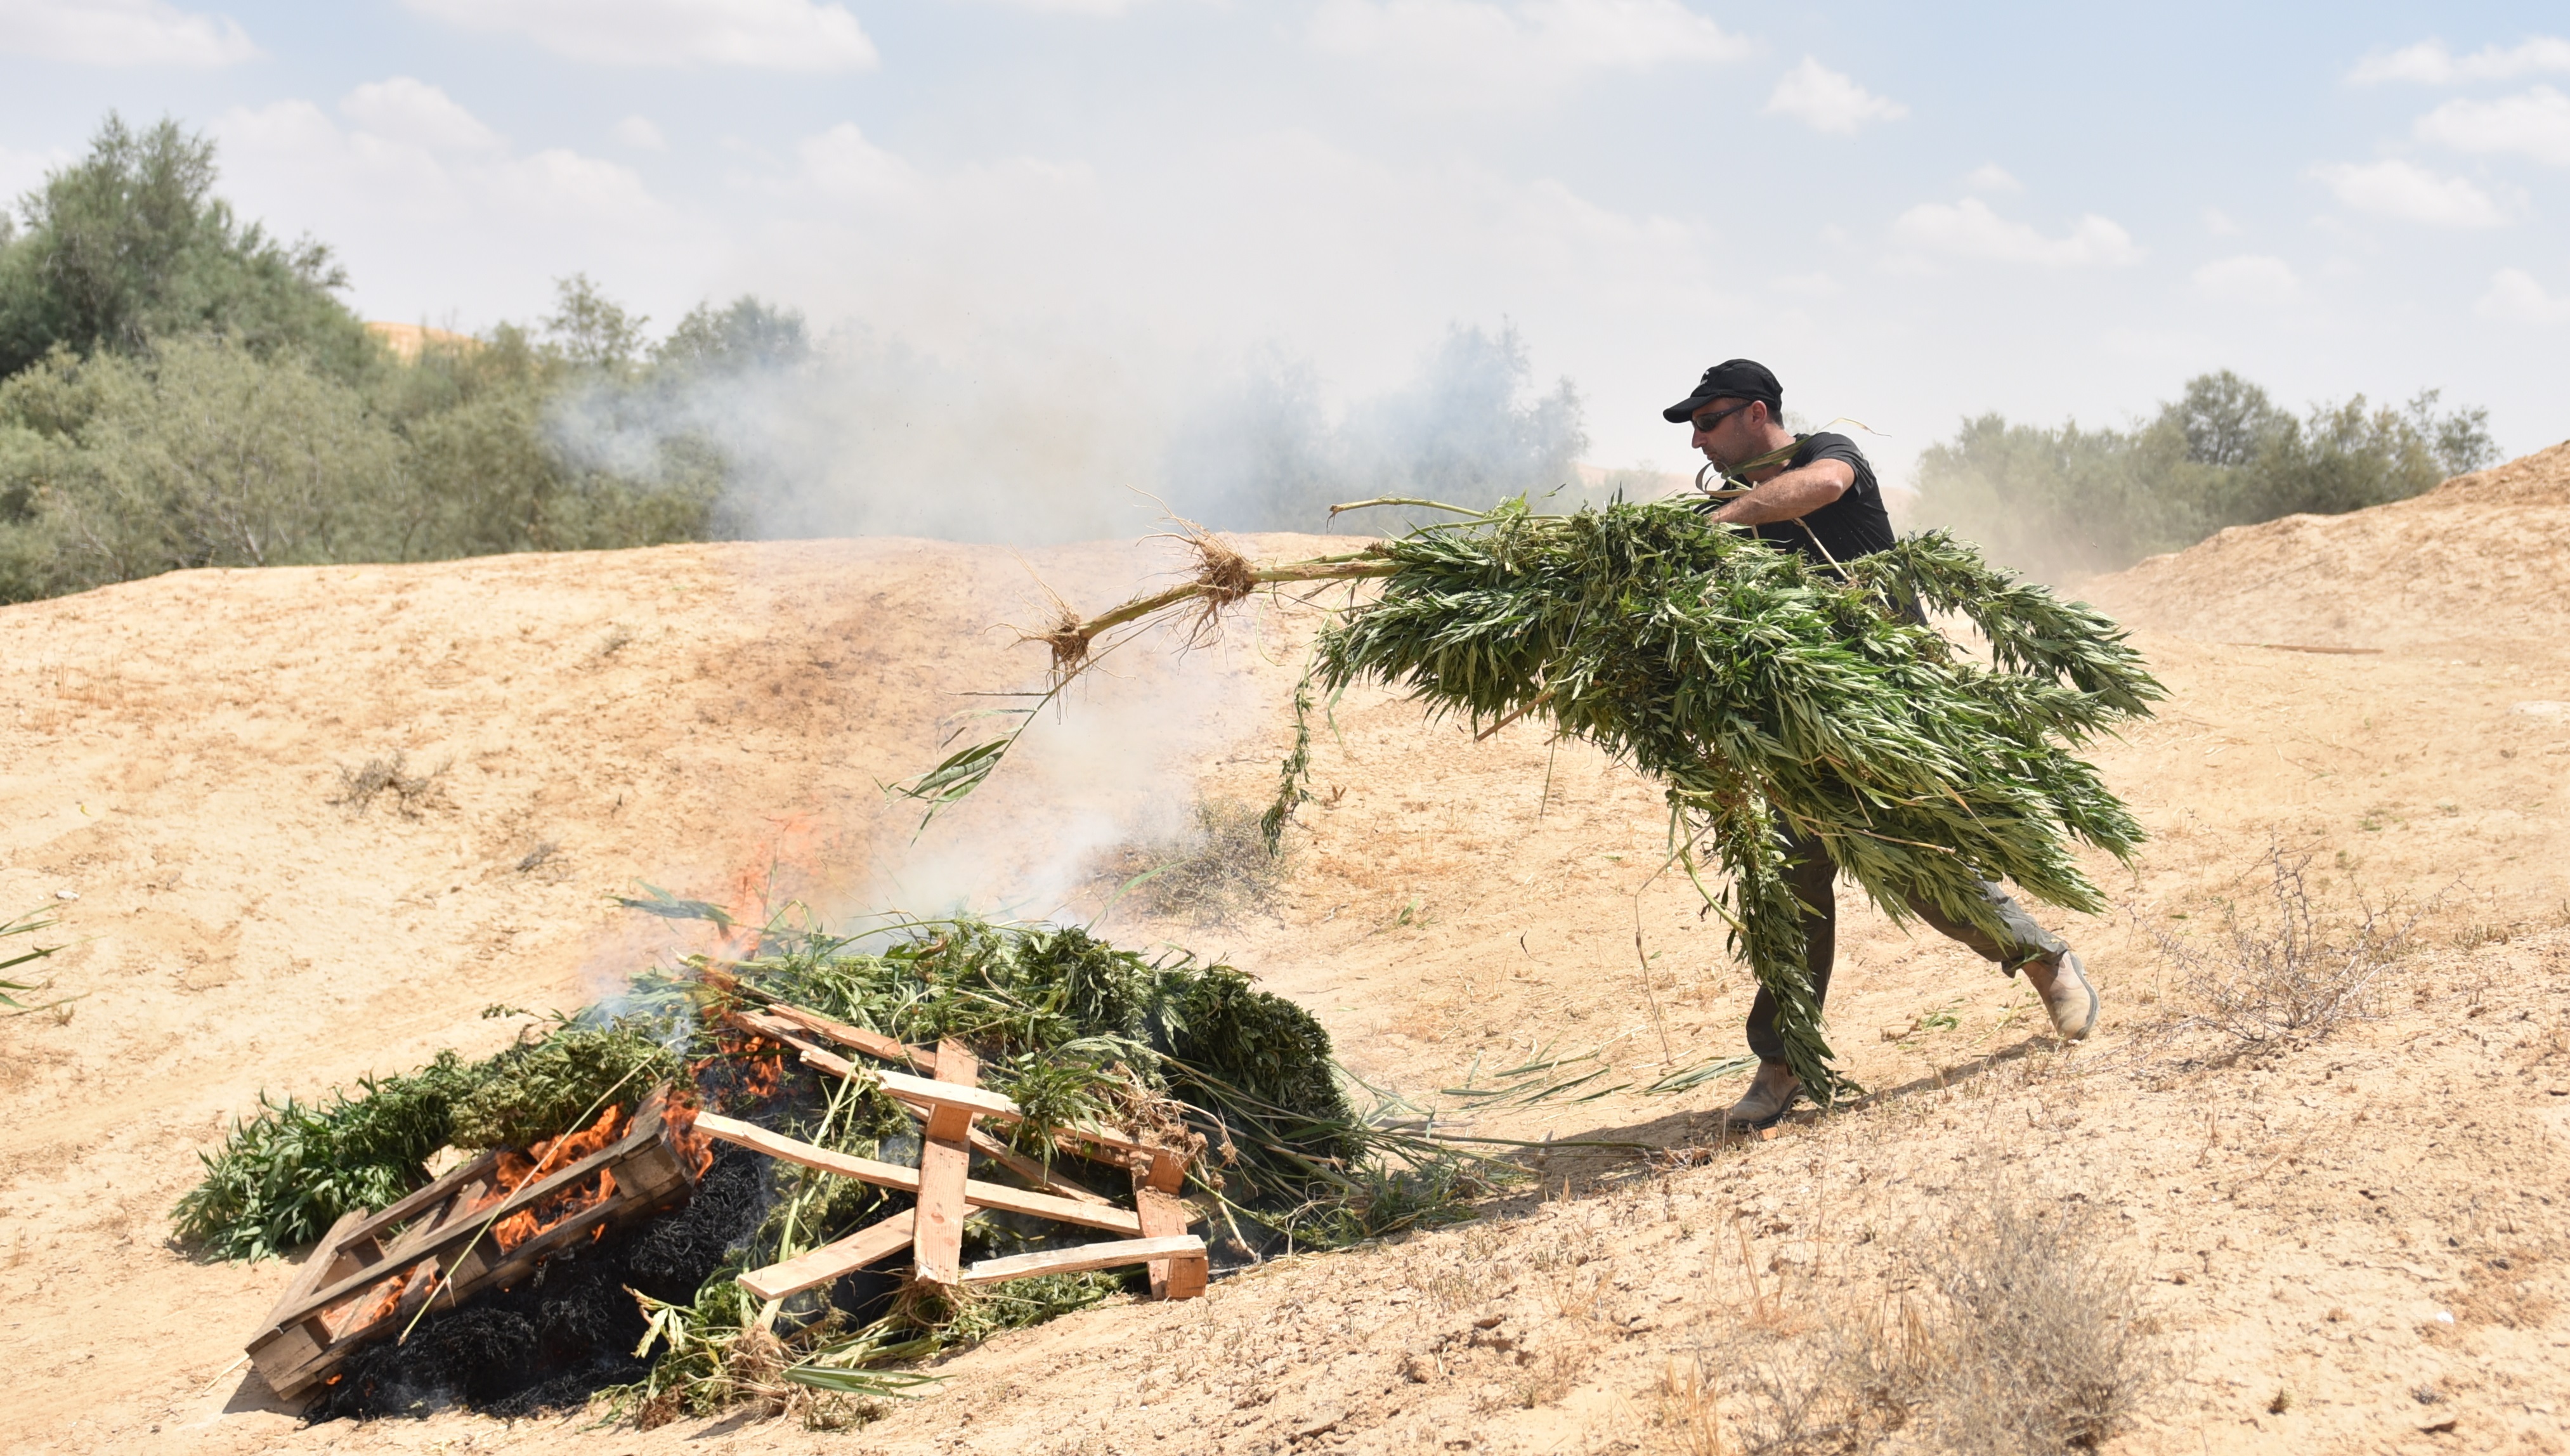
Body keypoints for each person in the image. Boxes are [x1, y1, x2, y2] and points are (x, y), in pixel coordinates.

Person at [1662, 358, 2100, 1129]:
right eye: (1690, 428)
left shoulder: (1828, 455)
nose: (1697, 441)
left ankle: (2044, 960)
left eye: (1706, 422)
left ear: (1754, 412)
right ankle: (1782, 1059)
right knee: (1789, 886)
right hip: (1793, 721)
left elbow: (1822, 487)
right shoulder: (1730, 503)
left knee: (1918, 871)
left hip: (1880, 704)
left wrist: (1724, 520)